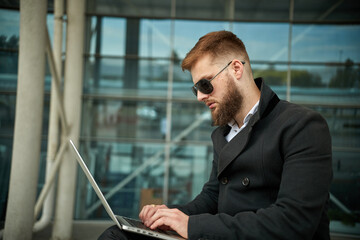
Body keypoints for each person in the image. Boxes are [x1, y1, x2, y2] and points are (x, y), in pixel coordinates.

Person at [98, 30, 333, 240]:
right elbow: (212, 197)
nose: (200, 96)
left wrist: (192, 225)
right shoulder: (223, 134)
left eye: (205, 84)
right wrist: (168, 216)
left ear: (236, 69)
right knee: (117, 235)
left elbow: (294, 223)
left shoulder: (302, 126)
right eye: (196, 89)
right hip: (220, 234)